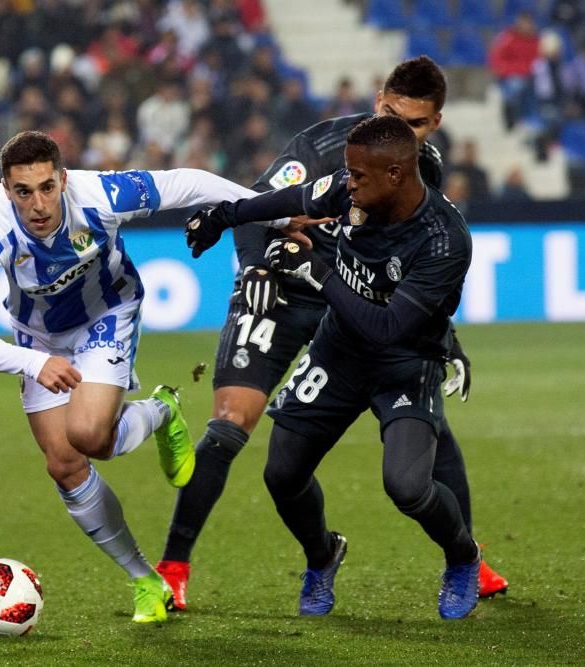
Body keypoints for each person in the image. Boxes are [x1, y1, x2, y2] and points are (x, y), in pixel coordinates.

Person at [155, 56, 507, 612]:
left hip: (370, 322)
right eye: (392, 114)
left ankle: (464, 555)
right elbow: (265, 204)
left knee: (419, 455)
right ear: (377, 102)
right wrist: (251, 262)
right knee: (250, 441)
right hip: (291, 299)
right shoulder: (336, 155)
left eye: (414, 125)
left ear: (432, 126)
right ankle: (183, 565)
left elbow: (407, 286)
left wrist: (444, 334)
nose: (402, 132)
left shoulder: (427, 191)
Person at [0, 130, 287, 624]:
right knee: (65, 463)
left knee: (86, 434)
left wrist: (275, 210)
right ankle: (144, 577)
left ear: (62, 179)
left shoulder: (100, 194)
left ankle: (160, 409)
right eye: (23, 191)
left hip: (106, 314)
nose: (37, 204)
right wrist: (35, 362)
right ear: (6, 188)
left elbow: (186, 183)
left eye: (46, 187)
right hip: (38, 338)